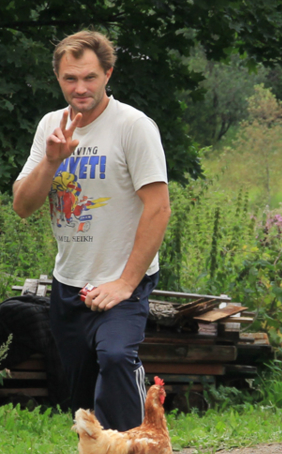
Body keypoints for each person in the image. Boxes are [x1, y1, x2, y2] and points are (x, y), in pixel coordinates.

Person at [13, 30, 170, 429]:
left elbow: (158, 208)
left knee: (117, 358)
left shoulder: (134, 126)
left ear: (108, 74)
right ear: (58, 79)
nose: (80, 88)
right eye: (70, 79)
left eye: (90, 77)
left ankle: (139, 448)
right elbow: (23, 205)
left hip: (122, 280)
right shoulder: (52, 125)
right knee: (83, 397)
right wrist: (50, 161)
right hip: (70, 283)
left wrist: (125, 283)